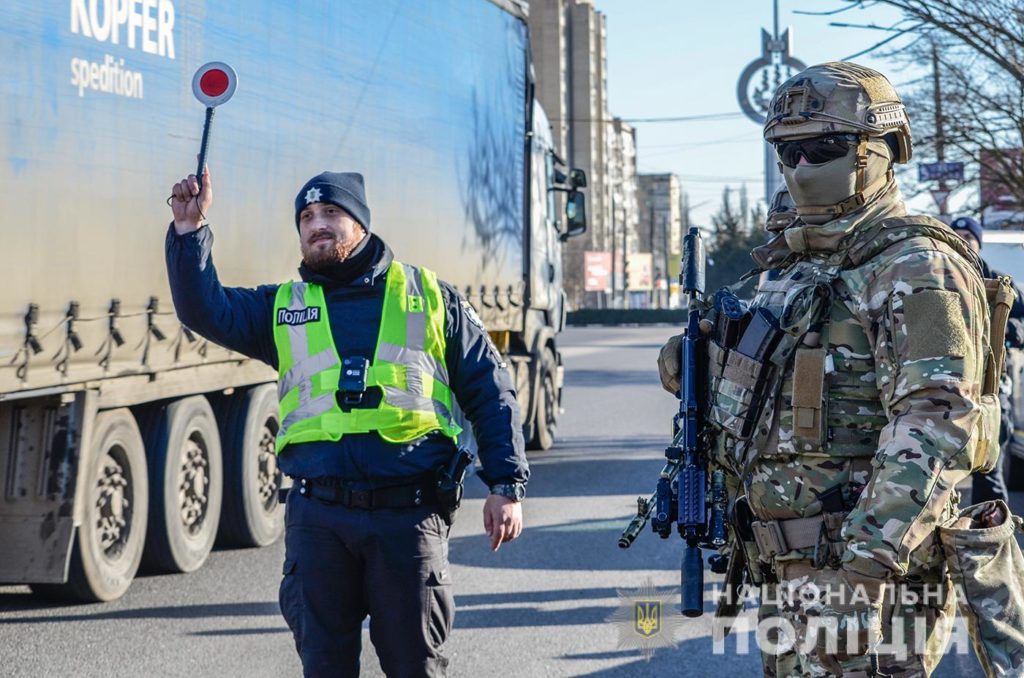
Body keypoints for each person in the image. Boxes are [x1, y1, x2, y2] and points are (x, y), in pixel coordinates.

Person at [659, 62, 1024, 676]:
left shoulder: (914, 268)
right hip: (793, 577)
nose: (802, 168)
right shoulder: (795, 266)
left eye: (824, 148)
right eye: (788, 151)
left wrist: (860, 572)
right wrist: (698, 361)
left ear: (879, 151)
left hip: (869, 588)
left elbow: (938, 429)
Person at [165, 168, 529, 677]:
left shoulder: (429, 296)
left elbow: (491, 391)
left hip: (409, 515)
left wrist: (506, 483)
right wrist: (189, 232)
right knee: (325, 667)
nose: (318, 224)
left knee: (416, 667)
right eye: (307, 217)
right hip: (319, 519)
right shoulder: (284, 307)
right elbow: (206, 309)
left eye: (332, 213)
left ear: (361, 223)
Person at [950, 215, 1024, 505]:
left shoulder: (1002, 283)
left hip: (990, 392)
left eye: (968, 237)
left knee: (988, 469)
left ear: (978, 244)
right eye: (957, 236)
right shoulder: (940, 278)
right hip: (949, 390)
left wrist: (1007, 328)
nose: (963, 242)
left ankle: (989, 538)